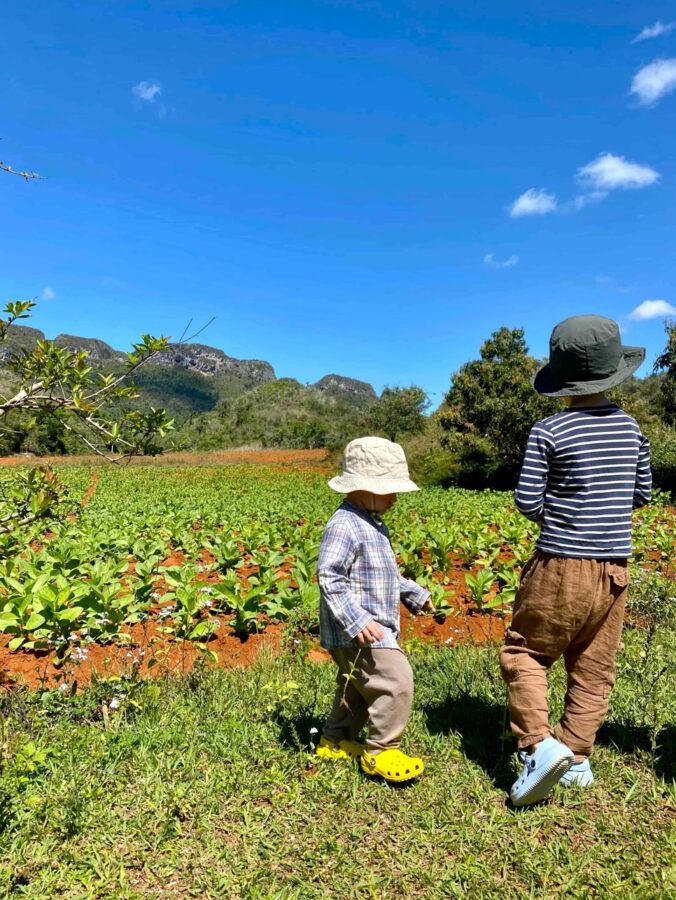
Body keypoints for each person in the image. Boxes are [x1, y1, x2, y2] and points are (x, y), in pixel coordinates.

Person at [501, 315, 652, 806]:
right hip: (614, 568)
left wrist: (561, 512)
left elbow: (527, 501)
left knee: (526, 653)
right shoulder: (631, 429)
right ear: (614, 370)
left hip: (560, 565)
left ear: (560, 378)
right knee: (593, 663)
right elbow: (642, 493)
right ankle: (576, 756)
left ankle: (538, 747)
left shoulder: (548, 431)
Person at [315, 435, 434, 782]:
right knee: (395, 681)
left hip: (362, 628)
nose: (396, 497)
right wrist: (357, 620)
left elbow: (388, 574)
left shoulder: (370, 523)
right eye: (391, 490)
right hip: (361, 630)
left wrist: (414, 594)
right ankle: (382, 750)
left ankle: (335, 741)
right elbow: (329, 576)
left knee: (355, 686)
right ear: (365, 488)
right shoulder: (344, 525)